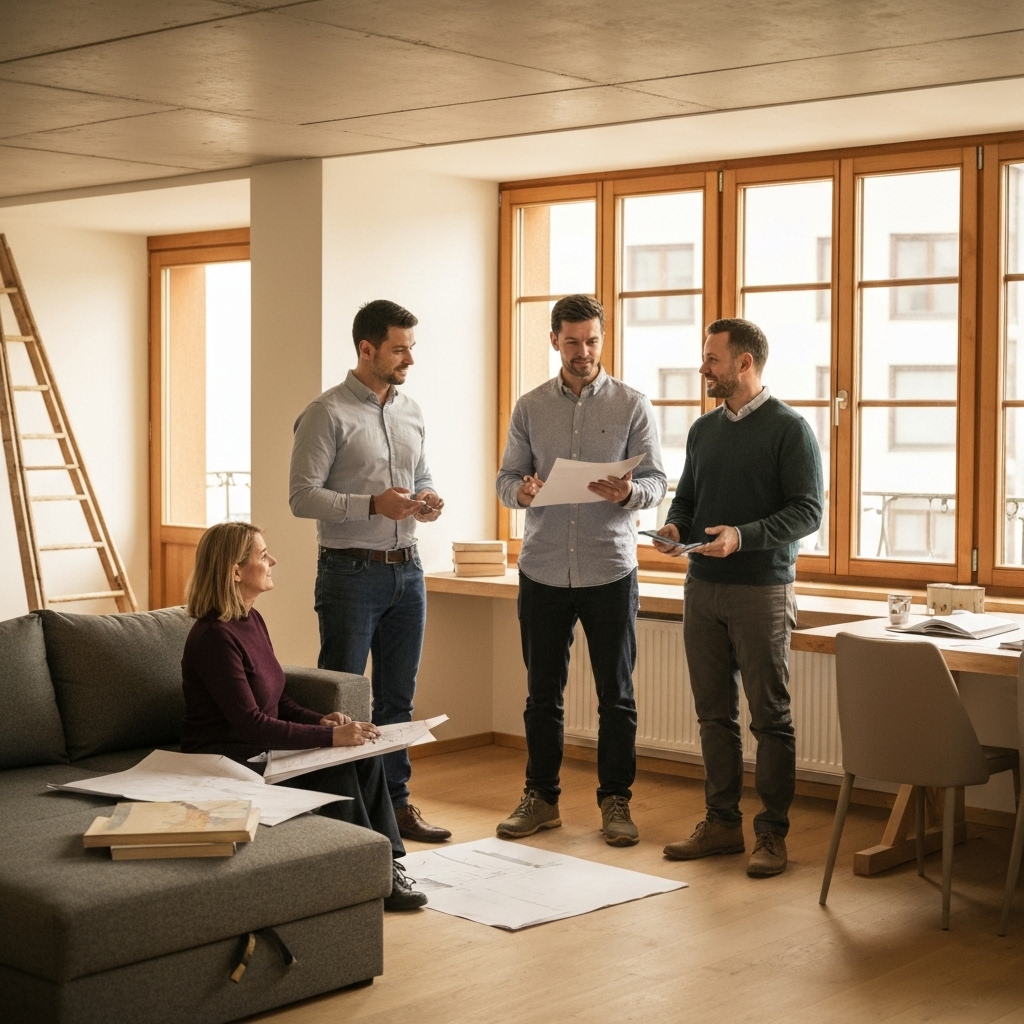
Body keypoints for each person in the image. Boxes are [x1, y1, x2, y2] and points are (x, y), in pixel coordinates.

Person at [180, 521, 427, 910]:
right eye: (263, 556)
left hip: (261, 749)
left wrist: (321, 721)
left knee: (364, 755)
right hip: (229, 759)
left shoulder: (251, 619)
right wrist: (329, 740)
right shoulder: (214, 638)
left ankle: (386, 865)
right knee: (339, 767)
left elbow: (277, 698)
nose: (272, 560)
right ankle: (364, 875)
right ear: (235, 571)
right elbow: (251, 724)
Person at [495, 294, 667, 847]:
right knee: (541, 694)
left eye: (591, 340)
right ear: (554, 342)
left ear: (602, 340)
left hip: (609, 569)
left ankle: (616, 802)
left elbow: (658, 482)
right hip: (543, 568)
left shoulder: (633, 405)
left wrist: (630, 492)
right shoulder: (529, 407)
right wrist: (520, 491)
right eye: (572, 341)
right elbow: (505, 481)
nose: (583, 351)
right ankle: (540, 798)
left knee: (616, 694)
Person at [655, 318, 823, 878]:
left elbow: (808, 511)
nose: (704, 367)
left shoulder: (790, 429)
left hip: (763, 592)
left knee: (770, 718)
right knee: (713, 714)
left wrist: (741, 536)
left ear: (744, 363)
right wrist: (676, 530)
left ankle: (771, 834)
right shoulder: (704, 431)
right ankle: (722, 824)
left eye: (713, 359)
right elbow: (686, 501)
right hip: (702, 589)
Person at [289, 299, 449, 843]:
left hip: (409, 572)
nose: (409, 358)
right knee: (342, 702)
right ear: (366, 349)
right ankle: (339, 816)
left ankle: (397, 807)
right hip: (349, 575)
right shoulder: (326, 413)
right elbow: (302, 497)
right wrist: (370, 505)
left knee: (398, 700)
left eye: (411, 348)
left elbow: (418, 473)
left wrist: (426, 498)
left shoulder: (411, 410)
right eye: (399, 348)